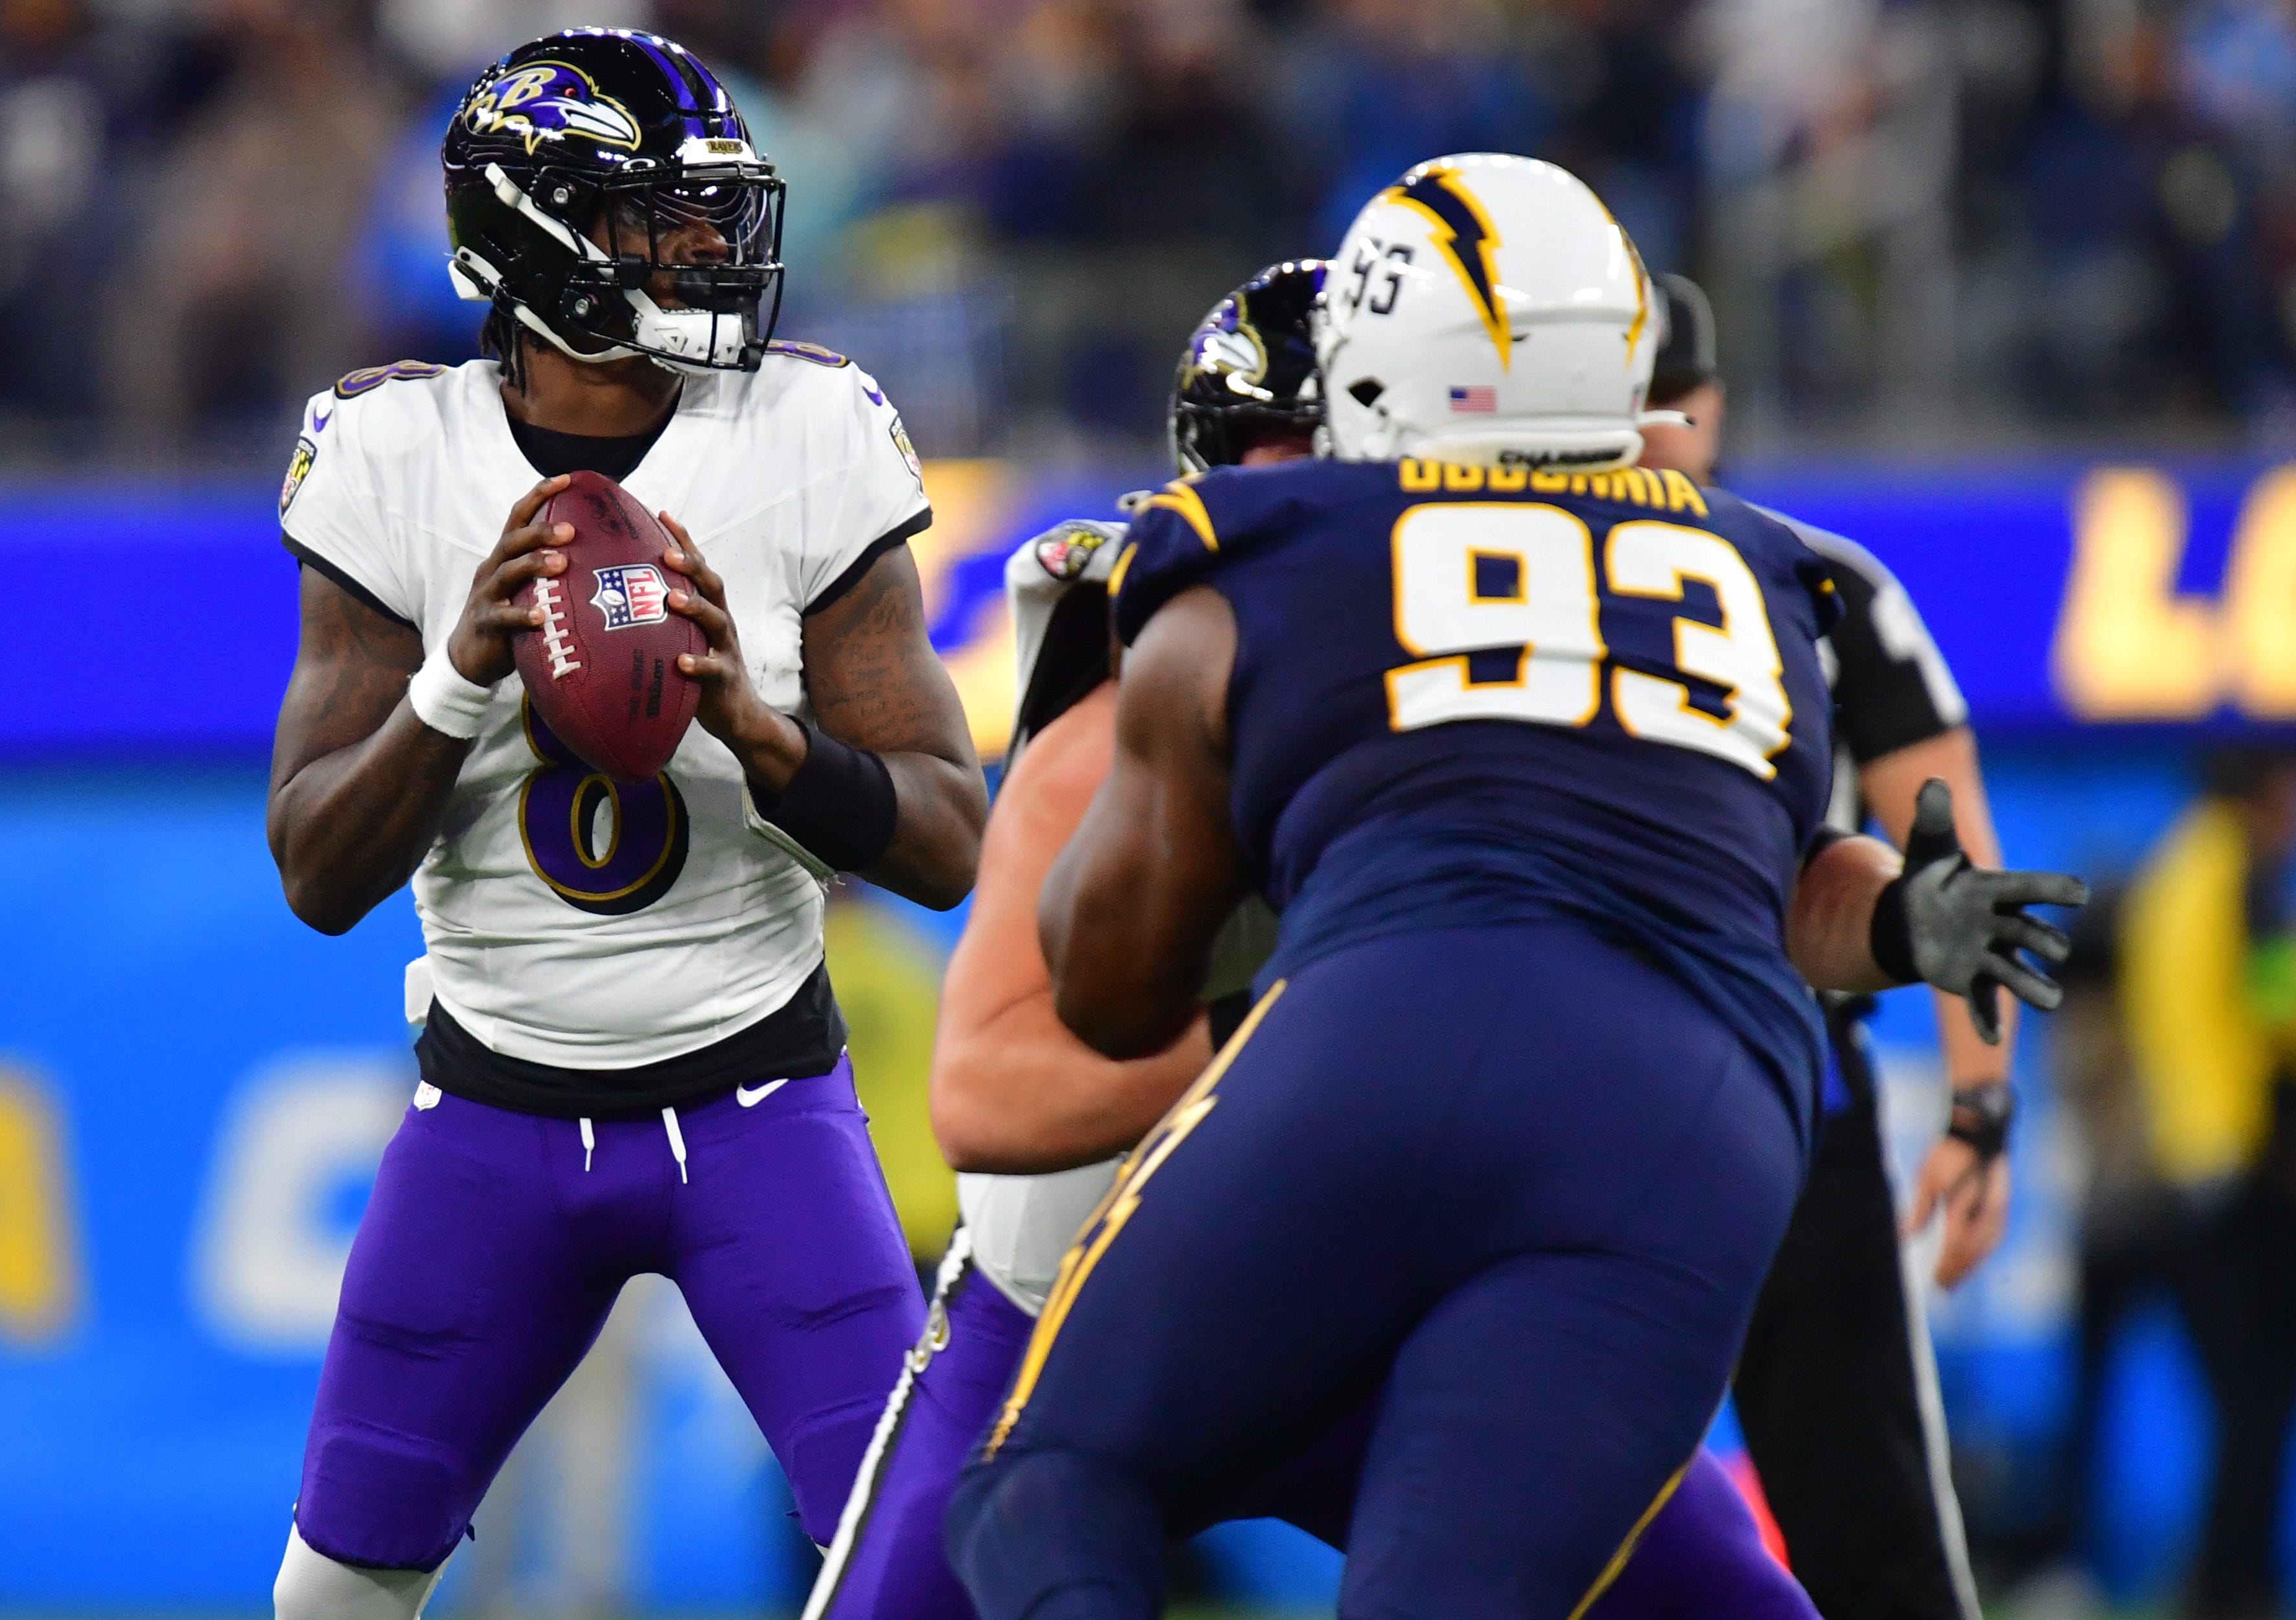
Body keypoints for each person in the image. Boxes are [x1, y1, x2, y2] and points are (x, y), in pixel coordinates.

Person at [946, 153, 2084, 1619]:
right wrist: (1892, 923)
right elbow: (1776, 876)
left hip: (1394, 1033)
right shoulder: (1766, 570)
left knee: (1052, 1485)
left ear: (1370, 374)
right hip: (1703, 1116)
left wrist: (1150, 792)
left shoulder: (1259, 550)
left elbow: (1109, 997)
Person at [808, 261, 1819, 1620]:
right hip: (1075, 1307)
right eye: (1279, 462)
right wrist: (1311, 1040)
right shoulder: (1137, 697)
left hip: (1383, 1313)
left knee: (1725, 1599)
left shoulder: (1523, 698)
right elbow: (983, 1094)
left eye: (1340, 462)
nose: (1306, 497)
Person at [262, 30, 988, 1620]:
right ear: (532, 244)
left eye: (709, 216)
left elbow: (949, 843)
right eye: (655, 220)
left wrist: (764, 734)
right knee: (334, 1591)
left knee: (919, 1571)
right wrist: (459, 683)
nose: (707, 253)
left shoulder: (807, 433)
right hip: (491, 1112)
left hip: (758, 1102)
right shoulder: (395, 450)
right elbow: (316, 869)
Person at [1637, 272, 2016, 1620]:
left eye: (1669, 406)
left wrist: (1980, 1103)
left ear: (1716, 407)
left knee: (1872, 1536)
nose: (1649, 437)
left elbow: (1951, 866)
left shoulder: (1818, 585)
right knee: (1548, 1525)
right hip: (1589, 1079)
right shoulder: (1497, 577)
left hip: (1787, 1071)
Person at [2114, 746, 2296, 1618]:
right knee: (2254, 1402)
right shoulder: (2234, 872)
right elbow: (2267, 1007)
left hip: (2187, 1166)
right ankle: (2233, 1587)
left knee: (2240, 1403)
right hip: (2237, 1172)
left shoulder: (2173, 869)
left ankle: (2225, 1581)